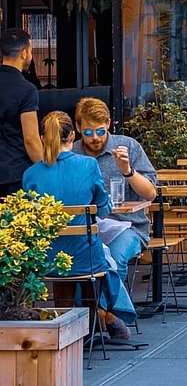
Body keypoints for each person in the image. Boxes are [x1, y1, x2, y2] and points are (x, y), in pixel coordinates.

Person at [23, 111, 136, 340]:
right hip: (86, 256)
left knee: (63, 262)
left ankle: (68, 334)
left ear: (43, 138)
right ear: (72, 135)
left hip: (48, 256)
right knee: (100, 262)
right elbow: (104, 209)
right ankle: (101, 321)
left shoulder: (31, 174)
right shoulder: (88, 166)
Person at [73, 97, 157, 283]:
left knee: (113, 260)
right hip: (84, 228)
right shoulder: (72, 154)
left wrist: (128, 171)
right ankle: (89, 311)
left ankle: (108, 310)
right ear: (78, 128)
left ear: (109, 124)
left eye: (100, 131)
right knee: (75, 268)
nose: (95, 137)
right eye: (88, 132)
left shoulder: (128, 147)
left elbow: (150, 194)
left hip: (128, 226)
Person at [0, 28, 43, 197]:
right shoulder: (26, 90)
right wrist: (46, 169)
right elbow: (31, 140)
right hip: (15, 174)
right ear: (24, 53)